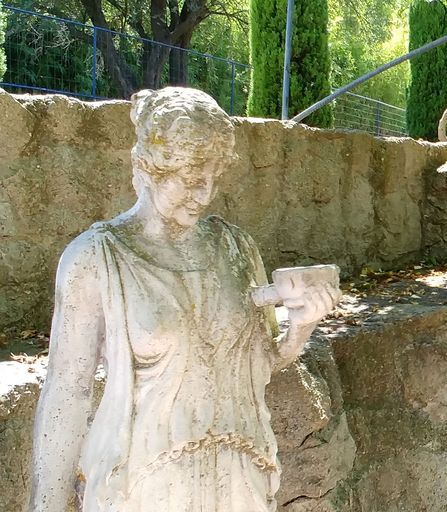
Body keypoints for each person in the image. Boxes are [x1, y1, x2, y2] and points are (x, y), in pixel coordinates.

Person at [28, 87, 340, 512]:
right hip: (143, 482)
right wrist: (45, 504)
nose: (205, 194)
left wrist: (299, 330)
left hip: (237, 471)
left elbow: (261, 362)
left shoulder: (236, 248)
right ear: (151, 167)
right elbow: (67, 390)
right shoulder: (95, 259)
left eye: (214, 179)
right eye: (192, 180)